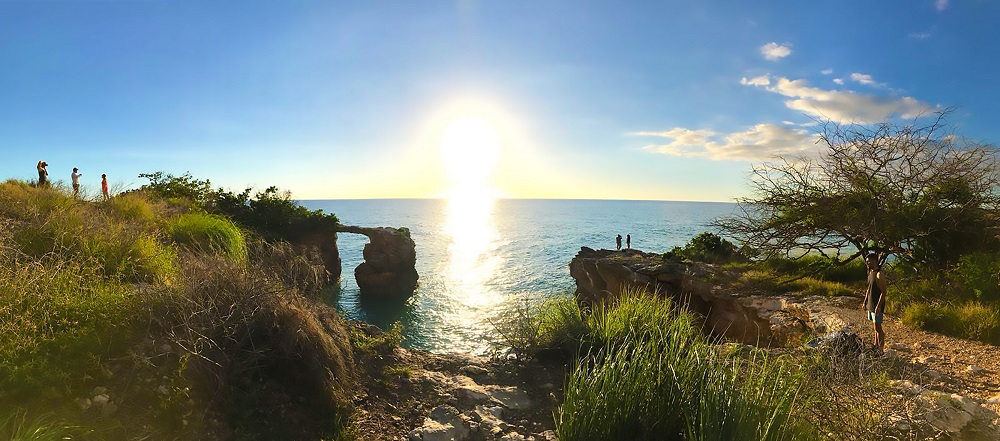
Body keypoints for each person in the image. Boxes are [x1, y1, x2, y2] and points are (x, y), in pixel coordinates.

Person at [861, 253, 887, 352]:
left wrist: (878, 306)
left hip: (877, 304)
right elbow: (869, 288)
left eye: (868, 261)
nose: (867, 263)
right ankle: (875, 346)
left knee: (878, 328)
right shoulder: (871, 272)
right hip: (871, 304)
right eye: (866, 261)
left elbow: (884, 292)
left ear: (874, 261)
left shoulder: (879, 274)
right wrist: (865, 301)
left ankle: (880, 349)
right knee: (875, 326)